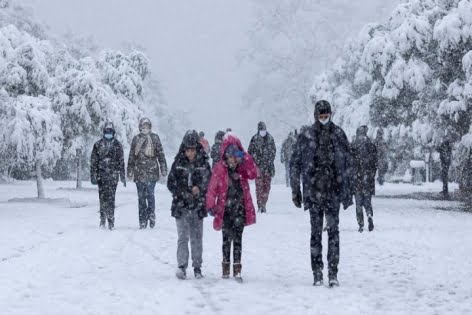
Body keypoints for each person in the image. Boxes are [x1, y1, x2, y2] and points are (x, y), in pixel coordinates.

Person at [290, 100, 352, 287]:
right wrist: (296, 189)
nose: (324, 119)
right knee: (315, 233)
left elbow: (348, 164)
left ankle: (333, 272)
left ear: (330, 115)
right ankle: (317, 272)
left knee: (333, 232)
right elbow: (295, 163)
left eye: (327, 116)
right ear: (316, 116)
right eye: (321, 116)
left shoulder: (339, 134)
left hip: (333, 190)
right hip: (314, 190)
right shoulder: (306, 136)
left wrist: (347, 190)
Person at [206, 133, 257, 282]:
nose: (232, 161)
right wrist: (210, 205)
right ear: (225, 157)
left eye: (235, 157)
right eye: (230, 157)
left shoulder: (242, 169)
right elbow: (212, 188)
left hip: (240, 209)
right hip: (225, 210)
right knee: (226, 239)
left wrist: (245, 156)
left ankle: (237, 268)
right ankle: (225, 267)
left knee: (238, 240)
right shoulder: (219, 169)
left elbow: (253, 173)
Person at [167, 130, 211, 280]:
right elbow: (171, 183)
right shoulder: (178, 163)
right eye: (187, 150)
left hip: (198, 206)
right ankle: (182, 266)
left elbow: (209, 182)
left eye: (192, 149)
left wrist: (200, 188)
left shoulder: (204, 163)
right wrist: (184, 192)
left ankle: (197, 267)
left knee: (197, 238)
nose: (190, 153)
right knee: (182, 237)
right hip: (181, 206)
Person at [127, 118, 167, 229]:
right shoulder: (136, 139)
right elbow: (132, 157)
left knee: (150, 195)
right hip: (139, 173)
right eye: (143, 127)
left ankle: (151, 214)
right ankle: (142, 220)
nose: (145, 129)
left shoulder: (155, 138)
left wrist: (163, 168)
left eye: (147, 126)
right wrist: (130, 170)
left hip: (152, 172)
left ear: (150, 127)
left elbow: (161, 155)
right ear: (140, 127)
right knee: (141, 198)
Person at [90, 122, 126, 230]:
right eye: (107, 131)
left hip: (113, 176)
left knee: (111, 198)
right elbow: (93, 161)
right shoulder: (97, 144)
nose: (108, 133)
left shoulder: (118, 145)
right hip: (101, 175)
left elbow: (121, 161)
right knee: (102, 198)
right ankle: (102, 218)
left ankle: (111, 220)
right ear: (104, 132)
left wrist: (122, 176)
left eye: (110, 132)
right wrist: (93, 175)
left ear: (113, 132)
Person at [351, 125, 377, 233]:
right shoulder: (371, 146)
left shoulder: (353, 146)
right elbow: (375, 163)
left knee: (358, 203)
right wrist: (371, 175)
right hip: (368, 179)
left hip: (357, 179)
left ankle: (361, 224)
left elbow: (349, 163)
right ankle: (369, 215)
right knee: (367, 201)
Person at [248, 121, 276, 213]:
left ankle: (264, 202)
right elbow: (250, 152)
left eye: (264, 129)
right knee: (259, 186)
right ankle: (260, 204)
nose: (263, 131)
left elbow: (273, 151)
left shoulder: (270, 138)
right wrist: (256, 160)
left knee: (267, 186)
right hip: (258, 167)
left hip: (268, 166)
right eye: (261, 129)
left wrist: (269, 159)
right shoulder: (254, 138)